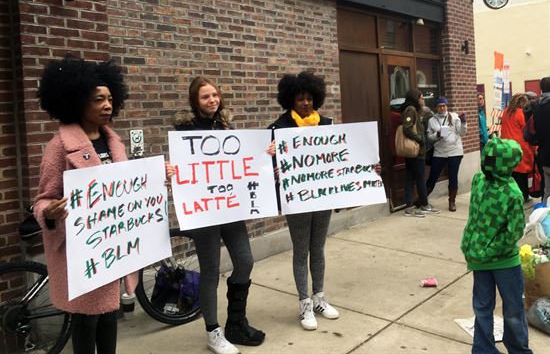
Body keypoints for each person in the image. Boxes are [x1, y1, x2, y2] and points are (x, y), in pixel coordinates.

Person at [33, 56, 172, 354]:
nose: (107, 105)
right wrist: (49, 211)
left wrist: (158, 178)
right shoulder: (59, 147)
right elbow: (43, 199)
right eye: (98, 99)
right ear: (77, 101)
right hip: (82, 251)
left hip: (113, 248)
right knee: (86, 320)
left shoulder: (114, 142)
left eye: (110, 98)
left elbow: (127, 188)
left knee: (110, 315)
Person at [174, 76, 265, 354]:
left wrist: (264, 153)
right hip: (205, 212)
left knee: (245, 261)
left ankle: (236, 321)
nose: (212, 100)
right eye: (205, 97)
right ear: (195, 101)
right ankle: (214, 331)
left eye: (215, 95)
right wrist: (171, 171)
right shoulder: (183, 133)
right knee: (211, 272)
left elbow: (242, 160)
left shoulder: (227, 127)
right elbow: (182, 169)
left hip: (230, 207)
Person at [267, 71, 340, 331]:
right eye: (300, 99)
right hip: (296, 199)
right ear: (291, 100)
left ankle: (319, 297)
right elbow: (266, 161)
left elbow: (339, 156)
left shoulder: (327, 124)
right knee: (301, 250)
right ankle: (304, 303)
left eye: (309, 98)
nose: (306, 103)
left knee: (318, 248)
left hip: (321, 198)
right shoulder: (279, 128)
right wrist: (273, 164)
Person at [460, 137, 533, 354]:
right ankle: (486, 349)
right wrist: (478, 250)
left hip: (495, 260)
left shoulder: (507, 192)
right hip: (489, 260)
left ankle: (513, 349)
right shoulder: (483, 182)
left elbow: (512, 233)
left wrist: (480, 250)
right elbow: (478, 218)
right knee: (493, 308)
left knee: (503, 309)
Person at [426, 97, 466, 212]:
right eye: (440, 106)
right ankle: (423, 199)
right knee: (433, 176)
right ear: (436, 107)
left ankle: (452, 201)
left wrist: (463, 122)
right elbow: (429, 138)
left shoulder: (454, 117)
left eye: (444, 105)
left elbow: (462, 133)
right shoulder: (432, 120)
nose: (442, 108)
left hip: (455, 151)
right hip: (440, 152)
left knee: (453, 177)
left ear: (447, 106)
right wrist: (437, 135)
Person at [500, 94, 536, 203]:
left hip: (506, 147)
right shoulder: (521, 114)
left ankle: (511, 196)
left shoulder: (505, 112)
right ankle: (523, 196)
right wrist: (534, 148)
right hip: (520, 147)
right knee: (522, 175)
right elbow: (527, 130)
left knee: (512, 173)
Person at [399, 89, 429, 217]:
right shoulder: (411, 109)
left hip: (415, 151)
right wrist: (420, 139)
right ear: (415, 98)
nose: (423, 100)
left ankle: (410, 207)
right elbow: (407, 128)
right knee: (420, 178)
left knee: (410, 178)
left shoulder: (414, 110)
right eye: (421, 98)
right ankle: (424, 204)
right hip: (416, 151)